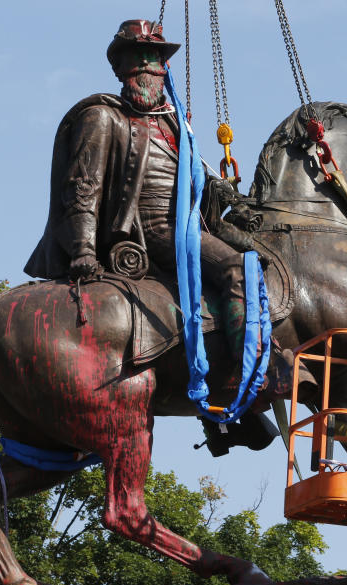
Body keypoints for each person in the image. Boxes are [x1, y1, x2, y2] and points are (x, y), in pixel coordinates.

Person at [23, 19, 292, 453]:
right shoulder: (103, 115)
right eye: (141, 60)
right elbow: (83, 185)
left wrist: (228, 195)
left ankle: (220, 414)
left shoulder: (173, 122)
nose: (151, 68)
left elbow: (196, 176)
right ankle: (243, 384)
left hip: (188, 222)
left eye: (158, 60)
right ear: (122, 68)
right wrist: (83, 249)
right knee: (236, 272)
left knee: (259, 256)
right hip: (147, 229)